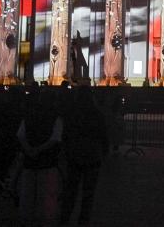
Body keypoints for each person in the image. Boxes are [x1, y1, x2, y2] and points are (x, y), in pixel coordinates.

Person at [60, 87, 108, 225]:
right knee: (88, 194)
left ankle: (65, 218)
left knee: (70, 191)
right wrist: (103, 152)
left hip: (74, 156)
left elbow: (65, 134)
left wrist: (66, 151)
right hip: (92, 157)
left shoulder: (72, 113)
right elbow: (103, 135)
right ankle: (83, 221)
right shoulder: (97, 114)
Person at [17, 89, 63, 227]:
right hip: (48, 161)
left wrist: (29, 149)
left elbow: (21, 135)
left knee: (27, 194)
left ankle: (26, 220)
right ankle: (44, 221)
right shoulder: (56, 117)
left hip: (29, 161)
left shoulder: (29, 115)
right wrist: (39, 150)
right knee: (47, 195)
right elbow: (55, 139)